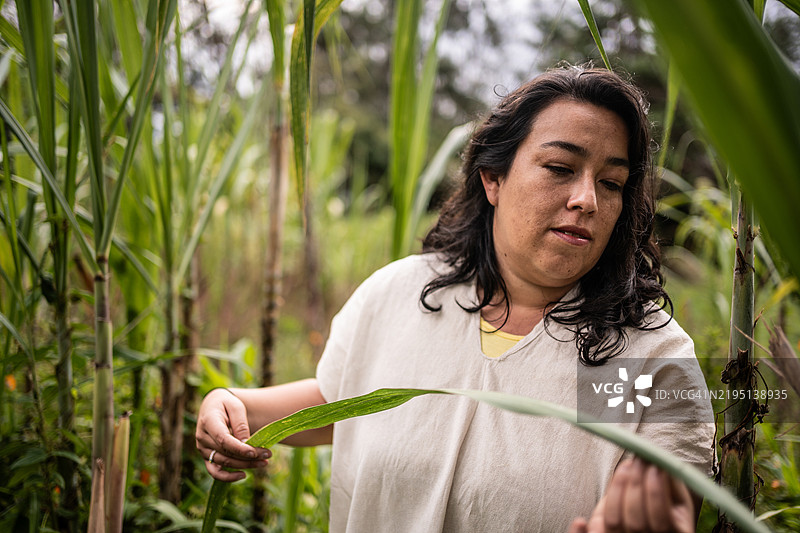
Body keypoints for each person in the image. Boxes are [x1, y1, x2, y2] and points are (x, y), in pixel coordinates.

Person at [195, 65, 715, 532]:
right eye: (560, 168)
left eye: (612, 182)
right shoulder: (400, 295)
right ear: (493, 177)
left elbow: (665, 501)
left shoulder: (645, 359)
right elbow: (344, 402)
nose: (587, 199)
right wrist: (237, 408)